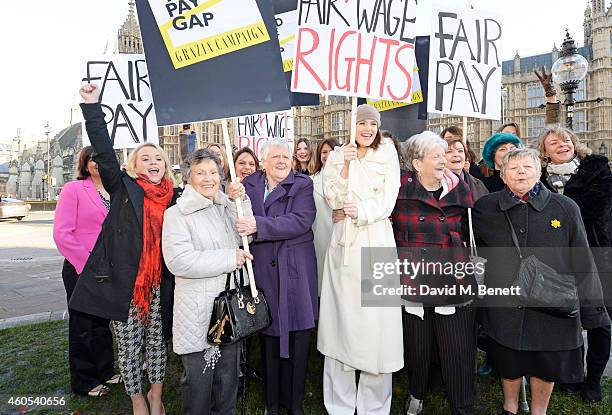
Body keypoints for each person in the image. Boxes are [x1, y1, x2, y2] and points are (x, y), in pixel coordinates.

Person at [473, 148, 611, 415]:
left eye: (527, 166)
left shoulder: (566, 207)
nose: (521, 171)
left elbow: (582, 258)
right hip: (506, 304)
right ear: (502, 175)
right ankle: (510, 407)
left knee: (545, 364)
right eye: (513, 168)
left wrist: (593, 311)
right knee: (508, 362)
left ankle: (539, 411)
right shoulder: (485, 208)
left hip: (552, 305)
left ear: (539, 172)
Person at [70, 84, 180, 415]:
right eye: (145, 157)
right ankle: (137, 400)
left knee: (158, 344)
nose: (153, 161)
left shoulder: (175, 195)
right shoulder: (123, 188)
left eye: (158, 157)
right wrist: (92, 105)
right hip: (126, 284)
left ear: (165, 164)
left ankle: (157, 396)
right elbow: (103, 151)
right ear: (134, 166)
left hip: (161, 283)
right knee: (130, 347)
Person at [318, 104, 403, 415]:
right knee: (341, 322)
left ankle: (374, 406)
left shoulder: (388, 153)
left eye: (372, 123)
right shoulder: (340, 154)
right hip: (344, 245)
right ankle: (339, 404)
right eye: (362, 122)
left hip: (376, 239)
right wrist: (343, 167)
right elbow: (332, 195)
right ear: (351, 125)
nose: (368, 129)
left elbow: (389, 196)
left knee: (375, 325)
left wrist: (364, 212)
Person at [162, 149, 252, 414]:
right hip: (198, 312)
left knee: (228, 384)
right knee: (198, 387)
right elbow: (179, 261)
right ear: (188, 178)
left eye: (213, 172)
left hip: (229, 310)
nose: (208, 178)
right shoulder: (176, 215)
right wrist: (229, 259)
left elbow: (245, 235)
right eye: (200, 173)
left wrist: (241, 201)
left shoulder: (224, 206)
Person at [392, 131, 476, 415]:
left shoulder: (460, 188)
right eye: (437, 156)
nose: (444, 160)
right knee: (417, 343)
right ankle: (417, 393)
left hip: (451, 275)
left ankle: (462, 405)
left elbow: (472, 229)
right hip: (413, 274)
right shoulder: (398, 190)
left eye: (445, 154)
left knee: (456, 345)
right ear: (417, 163)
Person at [236, 138, 318, 415]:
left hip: (295, 273)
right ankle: (272, 402)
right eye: (276, 157)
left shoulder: (303, 185)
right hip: (265, 274)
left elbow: (300, 220)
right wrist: (231, 195)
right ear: (263, 161)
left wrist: (259, 225)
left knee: (297, 337)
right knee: (269, 339)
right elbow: (238, 217)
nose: (282, 161)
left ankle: (294, 403)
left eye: (286, 156)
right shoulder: (249, 186)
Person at [538, 127, 612, 403]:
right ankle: (572, 375)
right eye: (553, 142)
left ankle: (593, 380)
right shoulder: (539, 177)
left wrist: (554, 207)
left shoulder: (597, 167)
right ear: (544, 151)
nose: (562, 144)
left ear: (575, 144)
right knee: (567, 318)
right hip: (558, 259)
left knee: (599, 321)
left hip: (597, 254)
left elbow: (597, 206)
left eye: (566, 140)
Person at [53, 146, 119, 397]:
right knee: (83, 325)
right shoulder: (73, 189)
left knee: (102, 322)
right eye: (93, 159)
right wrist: (87, 264)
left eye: (103, 158)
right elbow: (62, 233)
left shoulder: (116, 190)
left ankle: (105, 370)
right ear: (85, 164)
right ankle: (85, 381)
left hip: (108, 268)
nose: (98, 163)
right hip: (80, 267)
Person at [310, 138, 339, 294]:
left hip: (339, 236)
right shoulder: (310, 181)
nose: (328, 155)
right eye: (324, 152)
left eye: (332, 151)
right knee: (321, 283)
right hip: (319, 238)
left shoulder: (347, 178)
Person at [443, 135, 489, 201]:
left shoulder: (478, 185)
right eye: (449, 151)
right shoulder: (432, 183)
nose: (456, 154)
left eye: (460, 151)